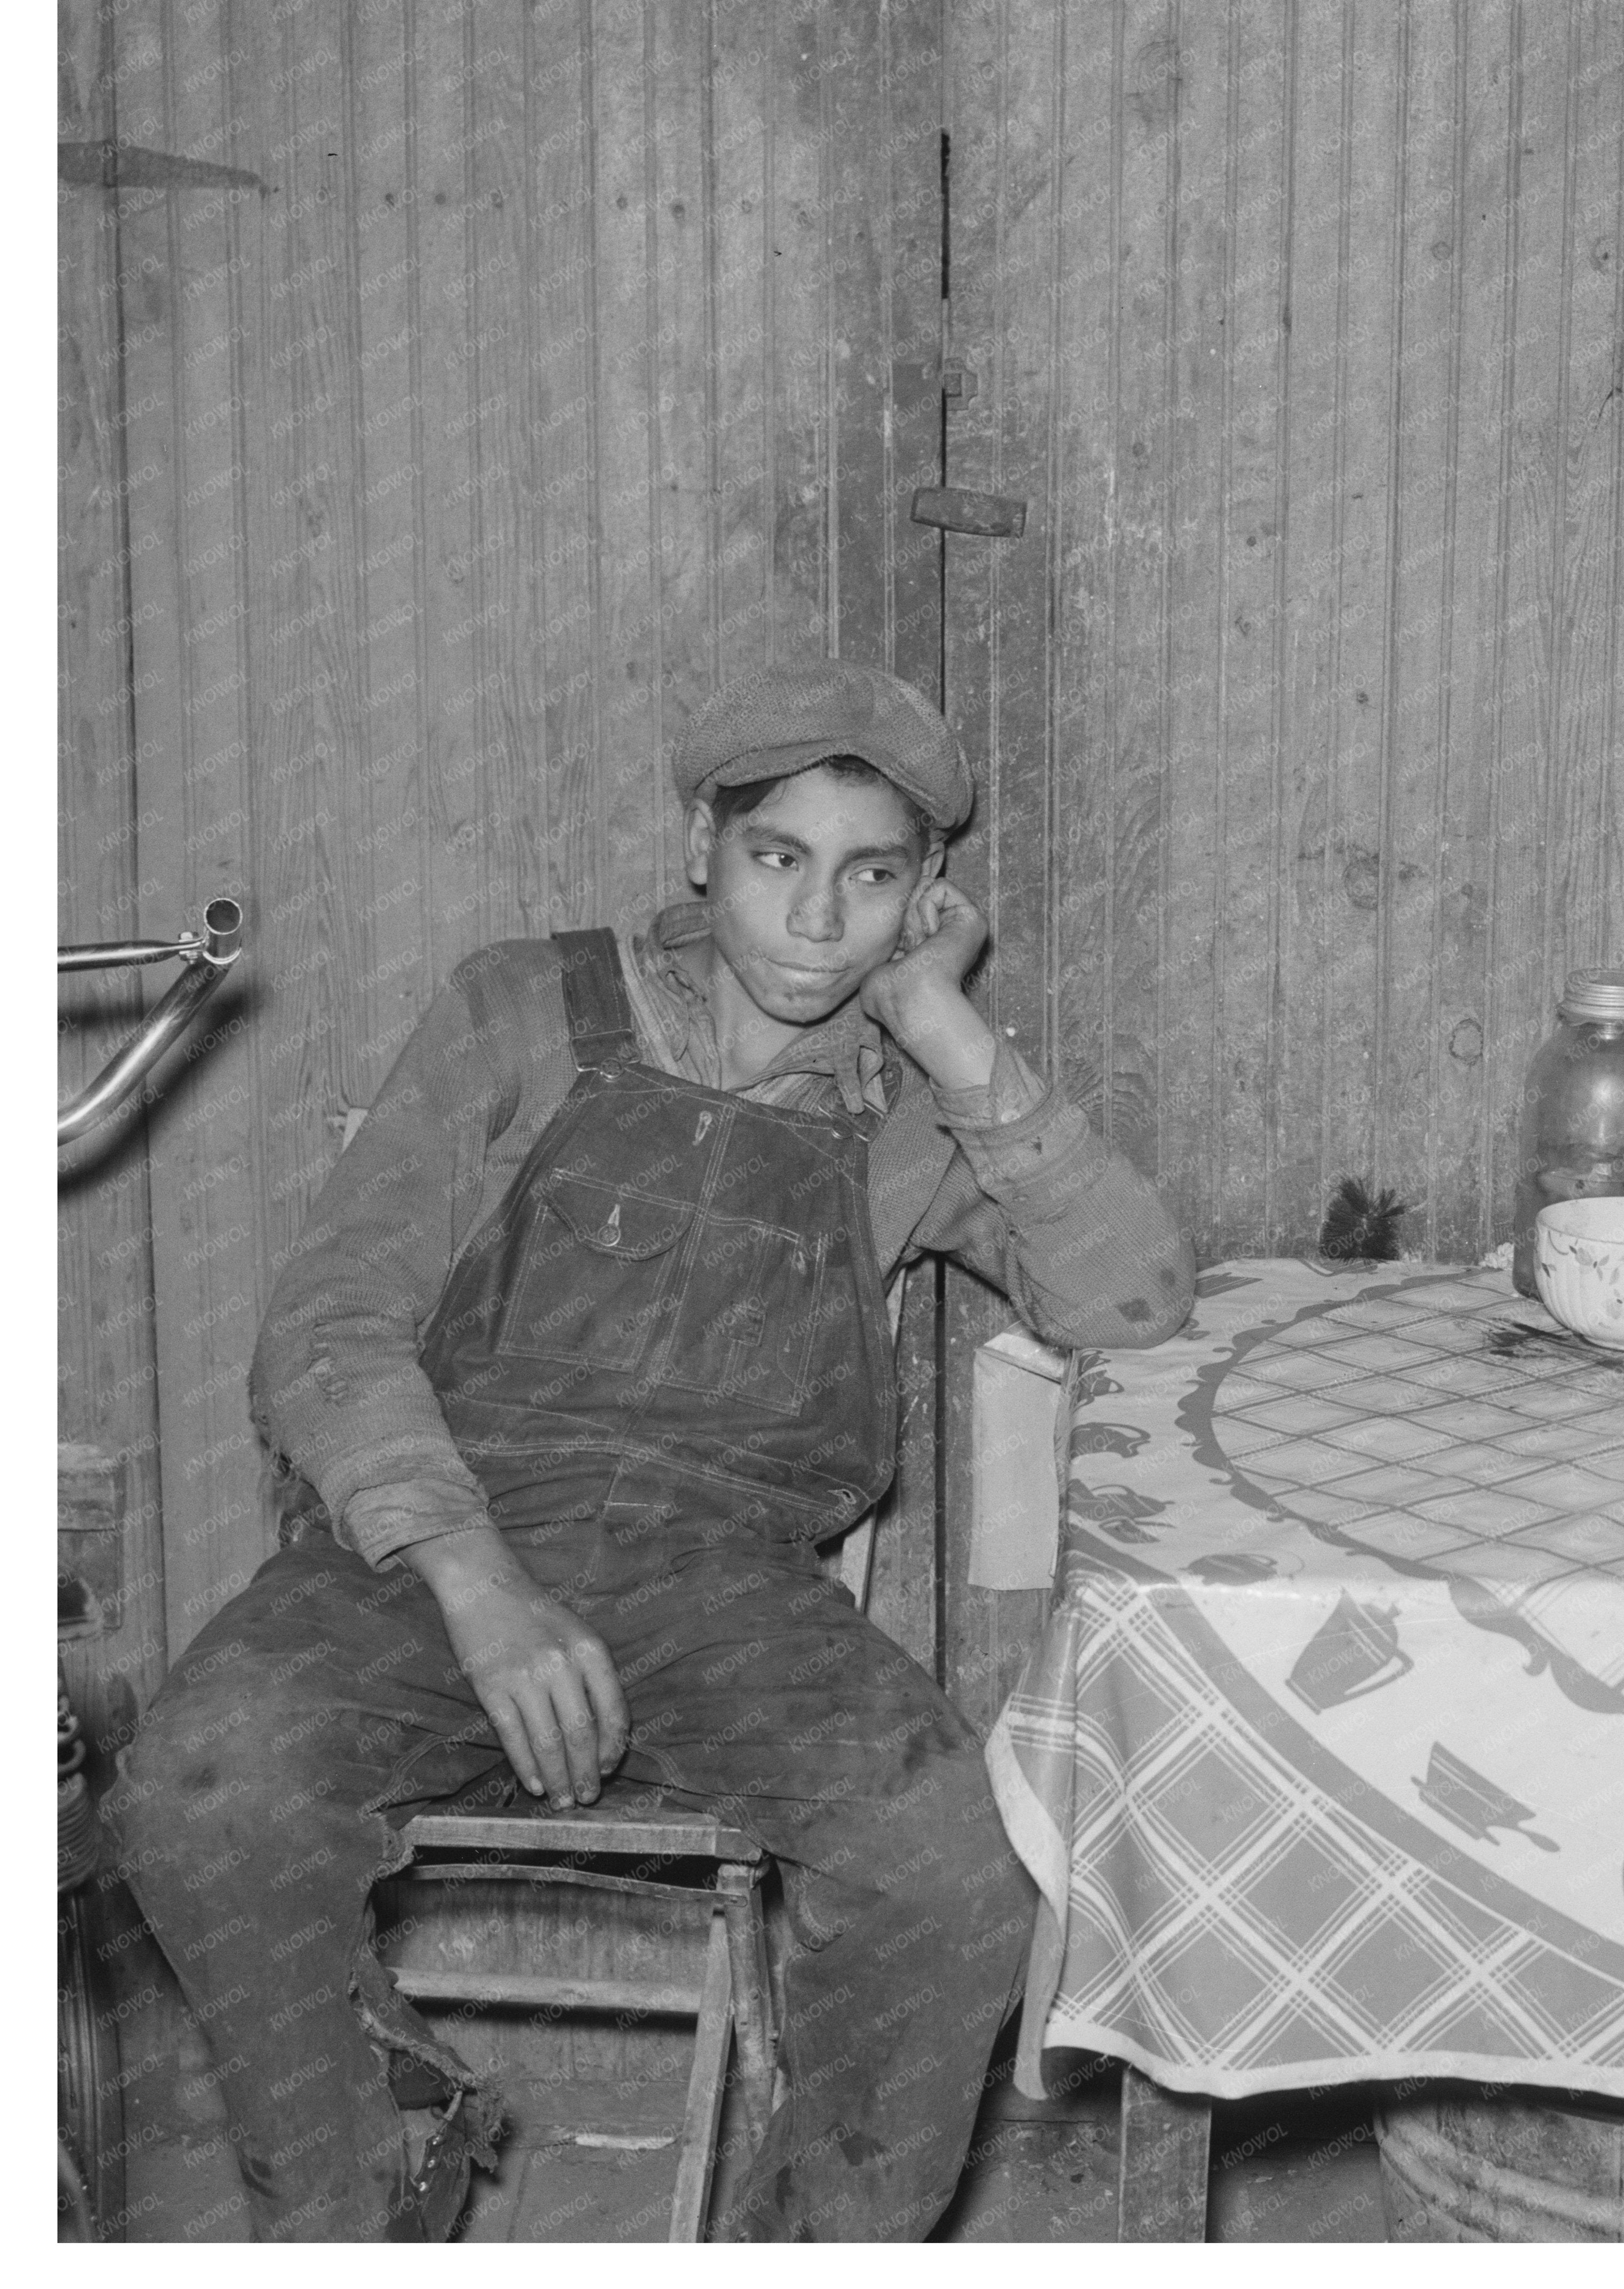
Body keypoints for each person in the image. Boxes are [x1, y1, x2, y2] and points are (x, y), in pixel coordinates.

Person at [108, 659, 1195, 2241]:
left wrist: (952, 1034)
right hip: (434, 1547)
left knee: (955, 1866)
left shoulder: (903, 1103)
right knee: (200, 1796)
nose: (818, 922)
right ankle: (355, 2193)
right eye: (779, 860)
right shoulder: (523, 1006)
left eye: (871, 876)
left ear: (924, 895)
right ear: (704, 846)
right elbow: (328, 1326)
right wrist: (477, 1581)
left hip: (723, 1589)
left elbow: (1135, 1303)